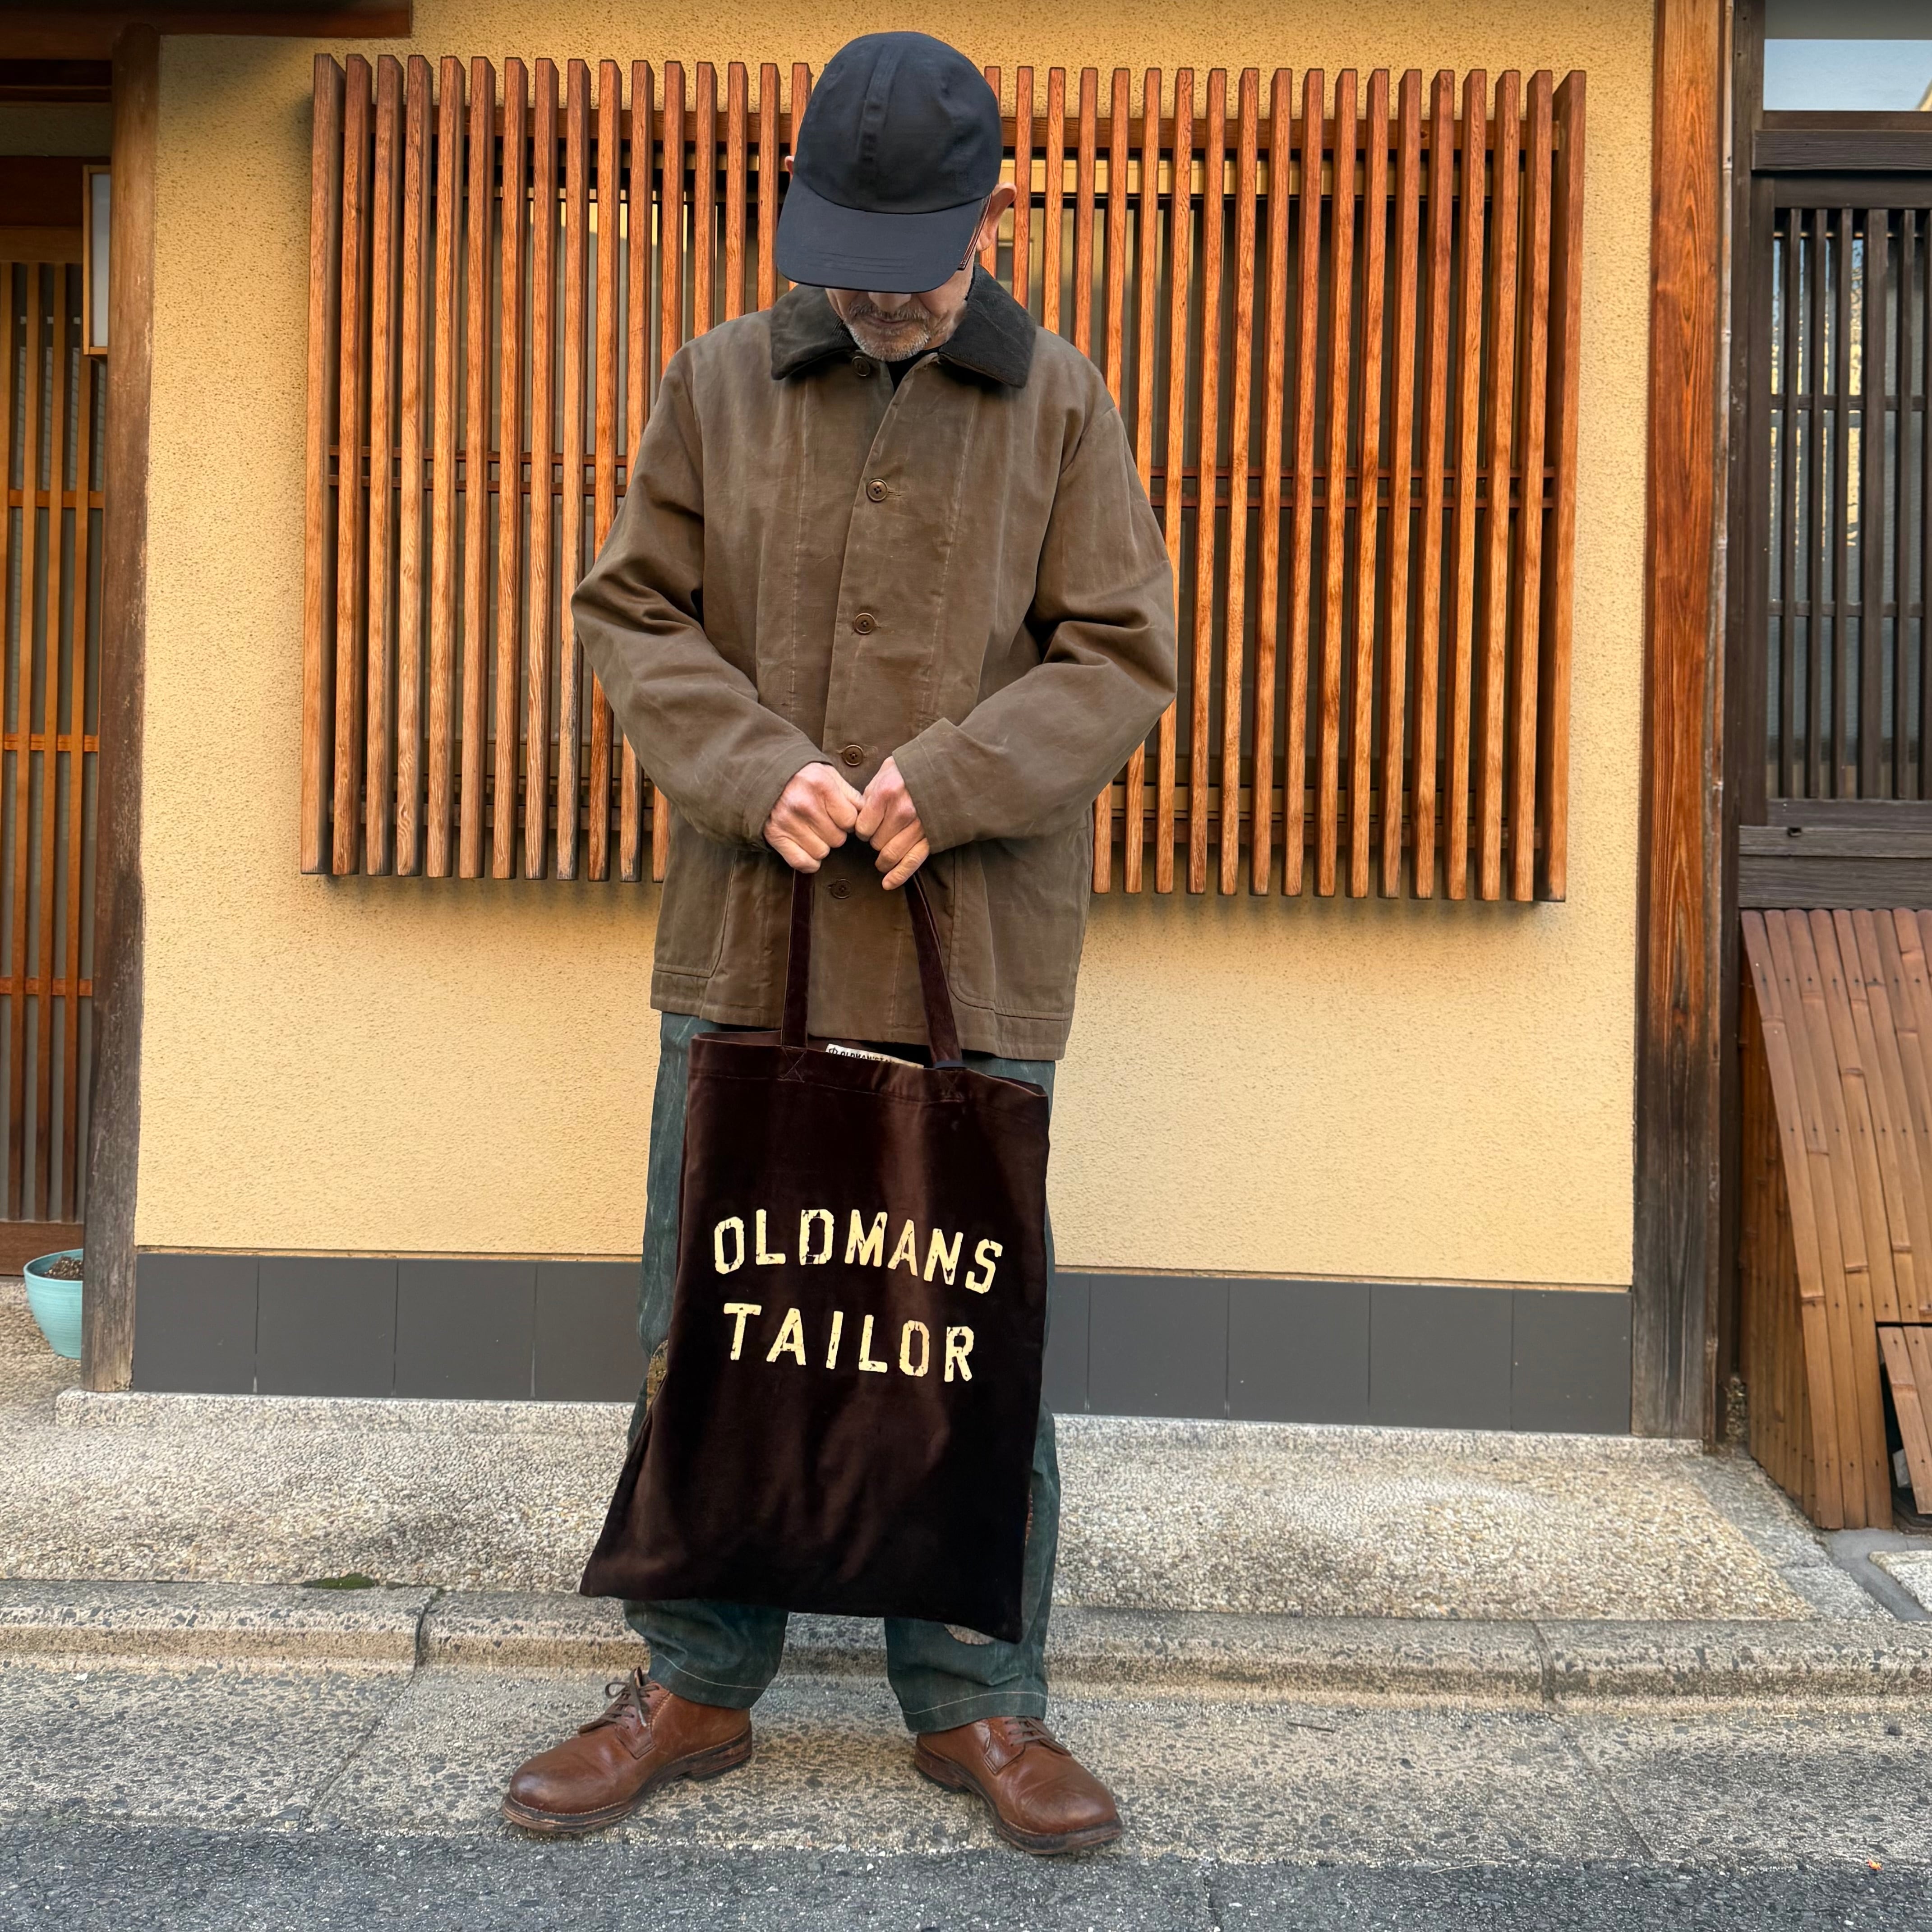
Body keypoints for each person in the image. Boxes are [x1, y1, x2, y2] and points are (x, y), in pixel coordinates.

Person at [502, 30, 1175, 1856]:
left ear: (994, 212)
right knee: (715, 1315)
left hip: (977, 948)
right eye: (846, 261)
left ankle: (980, 1701)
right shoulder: (715, 381)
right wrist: (755, 768)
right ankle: (699, 1679)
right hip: (749, 932)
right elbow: (629, 610)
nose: (877, 299)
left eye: (914, 264)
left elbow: (1123, 655)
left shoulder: (1063, 405)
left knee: (966, 1330)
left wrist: (945, 780)